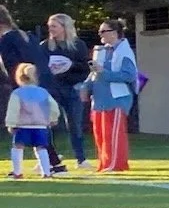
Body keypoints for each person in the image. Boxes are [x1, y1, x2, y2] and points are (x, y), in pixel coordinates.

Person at [84, 20, 137, 172]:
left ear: (114, 33)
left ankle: (116, 164)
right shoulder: (102, 50)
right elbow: (94, 73)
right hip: (100, 99)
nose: (100, 34)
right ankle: (104, 163)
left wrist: (104, 72)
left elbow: (129, 76)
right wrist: (86, 86)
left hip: (116, 99)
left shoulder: (124, 52)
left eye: (103, 31)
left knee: (114, 135)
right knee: (101, 135)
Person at [42, 14, 90, 170]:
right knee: (50, 124)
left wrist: (69, 67)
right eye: (50, 26)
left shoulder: (78, 45)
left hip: (73, 89)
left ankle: (81, 159)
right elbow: (42, 69)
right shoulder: (44, 46)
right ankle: (50, 158)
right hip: (52, 90)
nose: (51, 29)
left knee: (75, 124)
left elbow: (85, 69)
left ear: (65, 27)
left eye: (54, 26)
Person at [6, 64, 57, 179]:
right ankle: (46, 172)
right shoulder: (43, 92)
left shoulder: (17, 93)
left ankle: (17, 172)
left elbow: (13, 110)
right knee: (41, 148)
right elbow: (53, 106)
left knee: (17, 147)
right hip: (40, 125)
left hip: (22, 125)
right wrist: (53, 118)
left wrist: (11, 124)